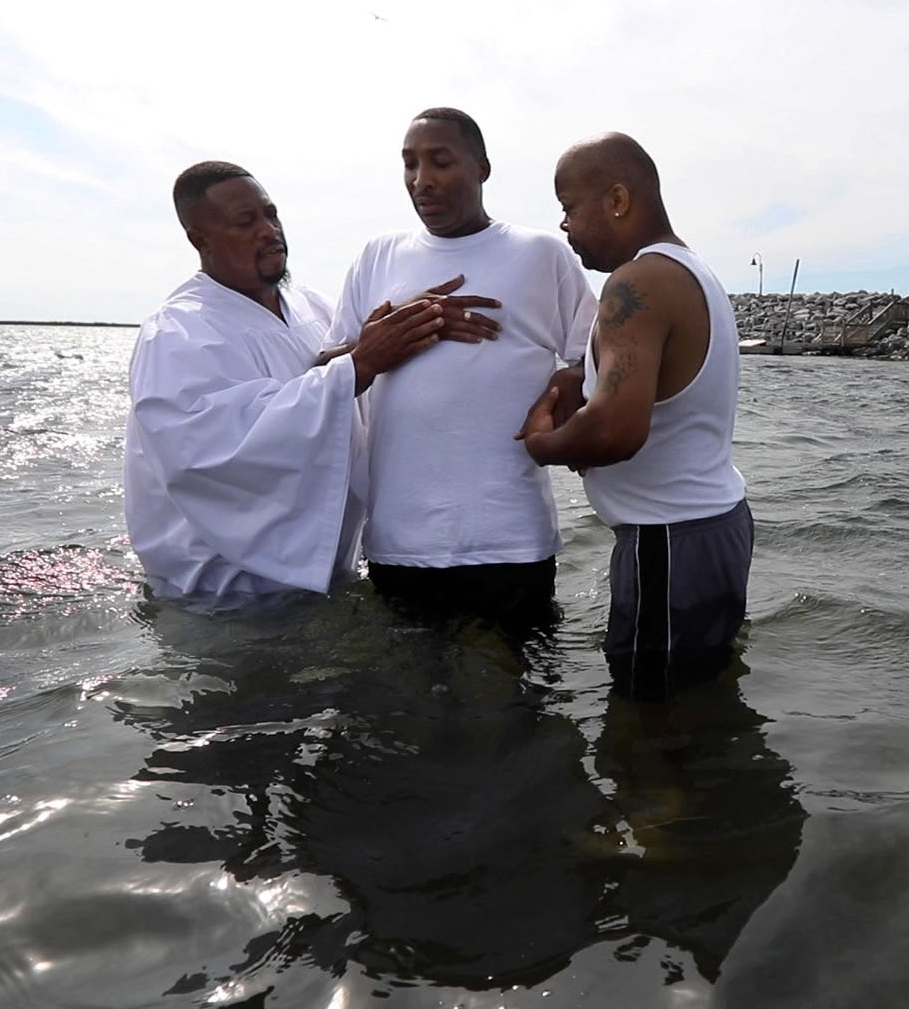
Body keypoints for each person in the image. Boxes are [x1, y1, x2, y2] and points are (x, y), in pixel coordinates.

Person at [124, 161, 495, 606]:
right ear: (198, 239)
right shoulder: (179, 331)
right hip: (222, 595)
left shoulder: (313, 308)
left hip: (328, 582)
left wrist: (404, 329)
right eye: (246, 222)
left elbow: (347, 383)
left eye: (271, 214)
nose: (268, 230)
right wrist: (360, 364)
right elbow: (212, 450)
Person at [330, 108, 597, 633]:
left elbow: (597, 356)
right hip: (398, 544)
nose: (421, 180)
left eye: (440, 162)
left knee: (510, 705)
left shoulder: (541, 253)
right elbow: (326, 375)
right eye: (409, 164)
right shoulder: (377, 256)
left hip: (509, 539)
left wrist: (568, 380)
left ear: (482, 168)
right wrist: (391, 336)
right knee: (398, 707)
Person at [520, 132, 752, 702]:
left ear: (618, 199)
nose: (565, 227)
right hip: (711, 527)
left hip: (668, 543)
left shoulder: (635, 282)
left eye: (569, 208)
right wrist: (578, 374)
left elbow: (616, 431)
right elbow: (655, 382)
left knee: (650, 723)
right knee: (698, 704)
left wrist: (541, 443)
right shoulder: (688, 271)